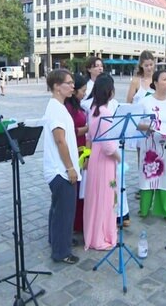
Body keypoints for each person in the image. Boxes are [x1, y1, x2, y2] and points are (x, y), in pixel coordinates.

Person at [43, 69, 81, 264]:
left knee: (58, 209)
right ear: (57, 86)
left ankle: (58, 240)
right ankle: (61, 251)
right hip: (60, 170)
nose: (72, 86)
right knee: (64, 213)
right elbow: (60, 140)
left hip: (59, 169)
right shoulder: (56, 109)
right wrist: (70, 168)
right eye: (68, 82)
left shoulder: (59, 106)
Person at [138, 70, 166, 226]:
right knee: (147, 177)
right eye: (164, 79)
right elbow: (135, 123)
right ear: (155, 83)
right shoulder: (145, 102)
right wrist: (147, 127)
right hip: (149, 147)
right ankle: (144, 209)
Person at [83, 73, 121, 250]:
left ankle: (94, 233)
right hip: (105, 161)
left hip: (95, 158)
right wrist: (119, 158)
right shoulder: (105, 113)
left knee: (95, 197)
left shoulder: (93, 109)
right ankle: (102, 236)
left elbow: (89, 136)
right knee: (106, 198)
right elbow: (108, 147)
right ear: (110, 92)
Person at [125, 50, 155, 204]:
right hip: (140, 124)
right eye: (146, 65)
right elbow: (129, 101)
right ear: (141, 66)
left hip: (154, 123)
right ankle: (142, 185)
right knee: (142, 156)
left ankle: (153, 184)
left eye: (151, 64)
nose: (149, 68)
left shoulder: (157, 80)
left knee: (154, 155)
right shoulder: (136, 81)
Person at [64, 74, 88, 233]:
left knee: (81, 188)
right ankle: (73, 224)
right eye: (83, 90)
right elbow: (70, 132)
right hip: (74, 148)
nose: (85, 93)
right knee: (75, 189)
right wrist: (89, 128)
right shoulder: (68, 108)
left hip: (82, 148)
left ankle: (80, 223)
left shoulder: (79, 105)